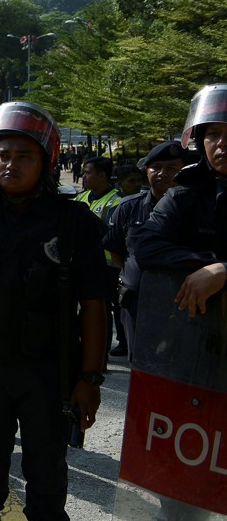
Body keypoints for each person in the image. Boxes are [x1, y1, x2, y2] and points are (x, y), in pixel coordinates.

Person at [0, 101, 108, 521]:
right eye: (2, 154)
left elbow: (95, 306)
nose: (10, 164)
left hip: (49, 372)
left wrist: (91, 379)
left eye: (24, 155)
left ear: (46, 161)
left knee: (46, 485)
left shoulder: (73, 220)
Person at [130, 85, 227, 521]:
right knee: (184, 494)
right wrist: (207, 265)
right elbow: (147, 245)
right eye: (213, 134)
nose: (222, 144)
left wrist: (224, 271)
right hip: (194, 362)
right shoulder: (187, 193)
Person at [103, 141, 187, 366]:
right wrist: (134, 275)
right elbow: (116, 250)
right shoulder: (128, 207)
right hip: (137, 302)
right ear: (146, 171)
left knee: (181, 366)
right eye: (156, 167)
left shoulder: (195, 207)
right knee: (140, 365)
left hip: (183, 302)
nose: (162, 173)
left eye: (171, 168)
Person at [76, 155, 126, 356]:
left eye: (88, 172)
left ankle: (104, 352)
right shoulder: (81, 198)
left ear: (102, 176)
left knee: (106, 308)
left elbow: (114, 236)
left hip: (107, 264)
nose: (84, 176)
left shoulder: (116, 201)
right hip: (82, 262)